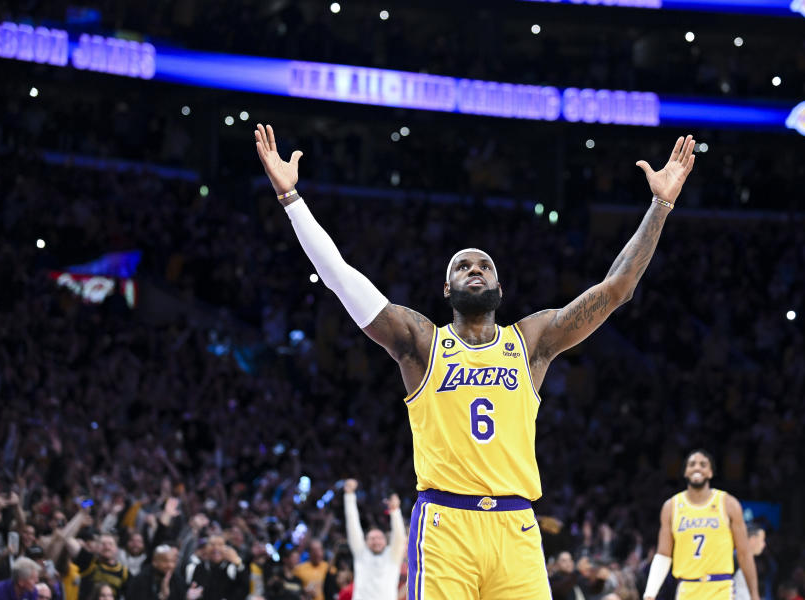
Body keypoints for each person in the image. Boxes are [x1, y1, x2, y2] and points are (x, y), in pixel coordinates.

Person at [255, 124, 697, 600]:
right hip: (446, 526)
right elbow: (339, 276)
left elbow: (615, 289)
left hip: (516, 527)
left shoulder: (532, 342)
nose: (474, 269)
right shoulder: (420, 343)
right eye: (462, 266)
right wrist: (291, 199)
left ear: (499, 289)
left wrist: (661, 206)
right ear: (446, 289)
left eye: (484, 265)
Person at [643, 450, 759, 600]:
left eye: (703, 464)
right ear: (685, 472)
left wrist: (754, 595)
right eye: (692, 464)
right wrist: (650, 593)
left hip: (721, 589)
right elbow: (664, 554)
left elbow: (744, 553)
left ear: (710, 473)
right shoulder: (671, 507)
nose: (697, 468)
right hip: (687, 589)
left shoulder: (728, 504)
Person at [342, 480, 406, 600]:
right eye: (372, 539)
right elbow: (352, 525)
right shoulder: (361, 553)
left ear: (386, 541)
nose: (376, 541)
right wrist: (349, 495)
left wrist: (395, 511)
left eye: (379, 538)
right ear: (365, 542)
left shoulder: (392, 556)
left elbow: (399, 537)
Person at [733, 524, 766, 600]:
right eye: (762, 540)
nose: (764, 544)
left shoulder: (746, 560)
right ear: (753, 539)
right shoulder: (736, 557)